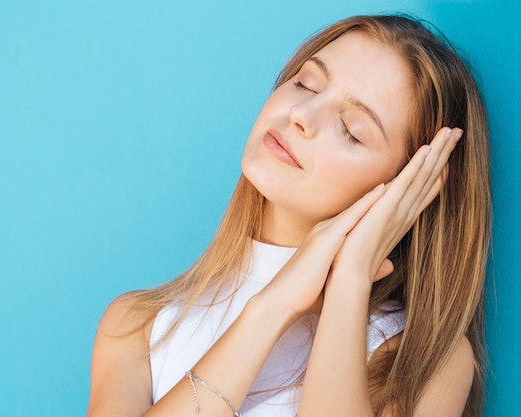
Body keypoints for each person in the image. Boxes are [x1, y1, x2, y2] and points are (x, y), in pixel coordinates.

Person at [86, 14, 491, 417]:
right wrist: (274, 304)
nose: (302, 113)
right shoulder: (138, 325)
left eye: (351, 129)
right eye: (305, 83)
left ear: (409, 189)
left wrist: (350, 279)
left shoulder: (424, 360)